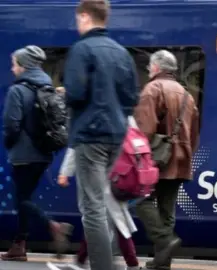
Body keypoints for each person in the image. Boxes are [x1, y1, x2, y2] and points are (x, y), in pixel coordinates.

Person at [63, 0, 139, 269]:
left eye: (77, 18)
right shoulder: (121, 53)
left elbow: (75, 93)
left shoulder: (82, 50)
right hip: (116, 137)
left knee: (92, 207)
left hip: (90, 135)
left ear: (84, 16)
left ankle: (101, 266)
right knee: (103, 200)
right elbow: (131, 98)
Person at [2, 45, 73, 261]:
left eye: (14, 65)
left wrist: (10, 144)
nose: (13, 69)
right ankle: (19, 245)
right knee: (26, 197)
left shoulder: (17, 90)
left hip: (23, 154)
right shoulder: (47, 87)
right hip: (44, 153)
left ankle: (53, 226)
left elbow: (11, 125)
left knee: (22, 199)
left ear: (23, 66)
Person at [134, 50, 200, 270]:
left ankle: (164, 239)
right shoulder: (187, 95)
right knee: (167, 210)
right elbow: (194, 134)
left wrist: (137, 159)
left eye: (149, 67)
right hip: (181, 159)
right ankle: (162, 263)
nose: (147, 70)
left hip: (157, 159)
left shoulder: (152, 89)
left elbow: (145, 130)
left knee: (139, 199)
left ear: (156, 68)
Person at [57, 118, 140, 270]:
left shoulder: (91, 109)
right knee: (108, 219)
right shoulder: (123, 110)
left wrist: (65, 172)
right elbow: (135, 138)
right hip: (121, 174)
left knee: (99, 217)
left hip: (101, 172)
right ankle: (81, 261)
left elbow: (78, 143)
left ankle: (130, 263)